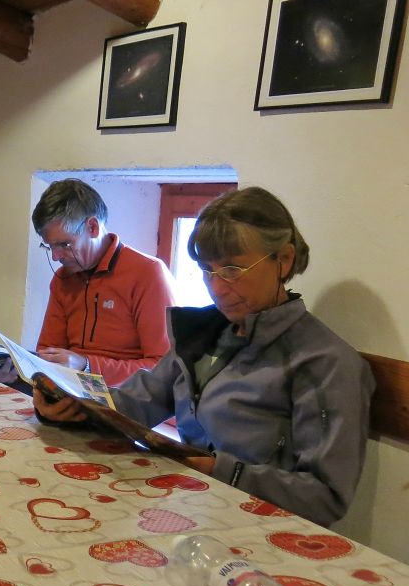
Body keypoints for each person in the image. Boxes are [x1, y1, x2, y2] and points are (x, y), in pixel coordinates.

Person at [34, 186, 374, 527]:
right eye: (207, 270)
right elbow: (138, 402)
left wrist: (222, 470)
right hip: (194, 510)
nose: (217, 288)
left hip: (264, 532)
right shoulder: (206, 332)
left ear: (283, 260)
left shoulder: (326, 362)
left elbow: (327, 498)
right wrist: (71, 408)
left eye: (232, 270)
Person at [32, 179, 176, 386]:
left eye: (64, 244)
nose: (56, 257)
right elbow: (48, 354)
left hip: (130, 403)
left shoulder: (148, 273)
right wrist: (13, 373)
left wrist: (88, 366)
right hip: (70, 396)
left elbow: (165, 368)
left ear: (92, 227)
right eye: (50, 247)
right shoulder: (63, 279)